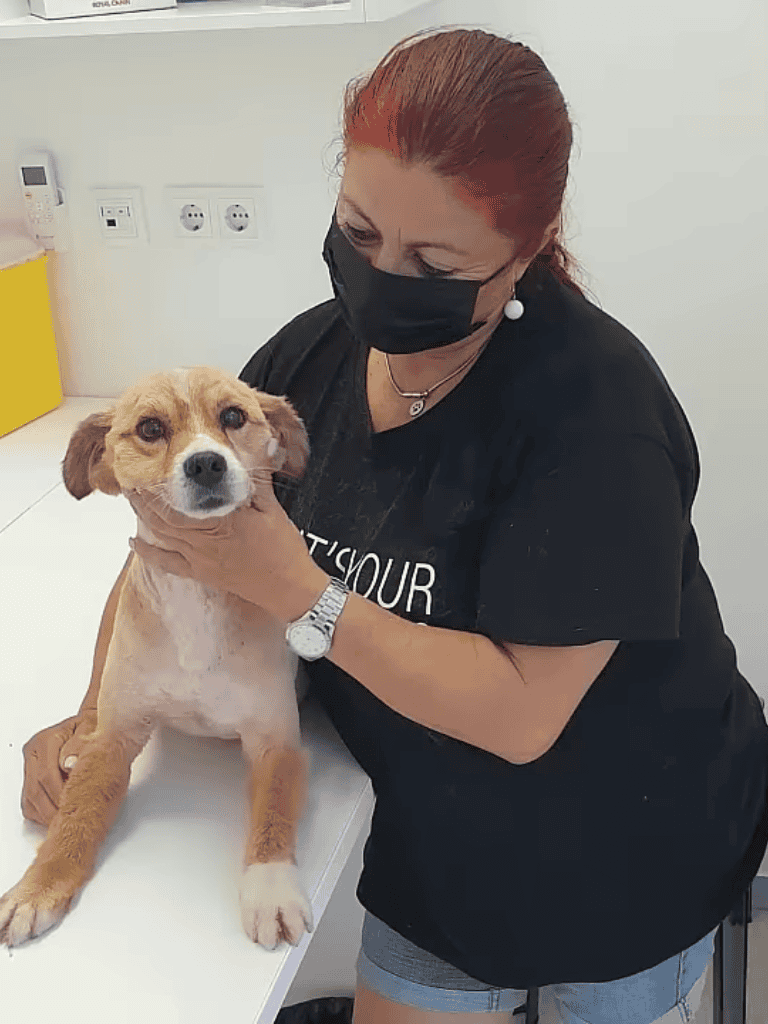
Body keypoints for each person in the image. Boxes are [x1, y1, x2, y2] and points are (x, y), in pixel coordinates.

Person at [20, 27, 768, 1024]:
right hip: (432, 836)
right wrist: (96, 718)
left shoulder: (596, 422)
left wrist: (299, 589)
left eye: (433, 260)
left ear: (528, 250)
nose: (379, 281)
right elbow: (173, 552)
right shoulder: (301, 368)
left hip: (627, 836)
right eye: (360, 232)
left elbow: (519, 714)